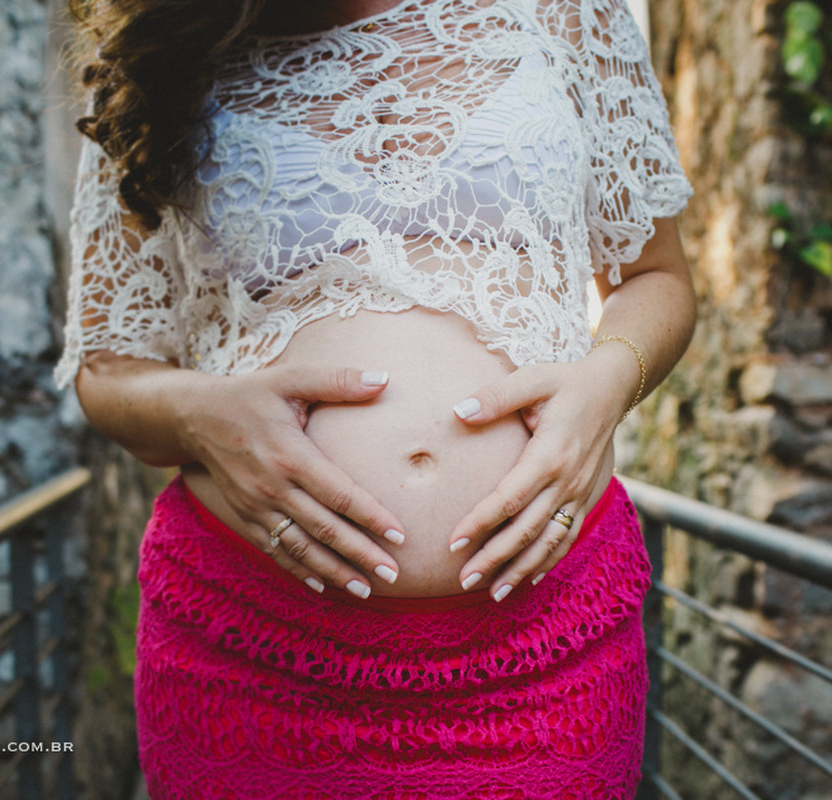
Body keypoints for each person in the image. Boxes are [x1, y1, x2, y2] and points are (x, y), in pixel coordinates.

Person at [57, 0, 695, 795]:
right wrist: (198, 412)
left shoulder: (568, 15)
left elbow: (656, 278)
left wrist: (604, 386)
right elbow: (109, 368)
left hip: (544, 636)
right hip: (252, 642)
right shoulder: (160, 52)